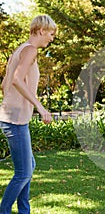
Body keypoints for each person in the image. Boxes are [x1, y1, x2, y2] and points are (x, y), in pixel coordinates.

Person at [0, 15, 57, 214]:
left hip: (12, 117)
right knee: (23, 172)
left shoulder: (20, 49)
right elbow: (16, 79)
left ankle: (24, 210)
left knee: (29, 166)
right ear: (41, 30)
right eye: (51, 34)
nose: (51, 38)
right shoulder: (30, 50)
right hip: (14, 120)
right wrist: (40, 108)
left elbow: (4, 84)